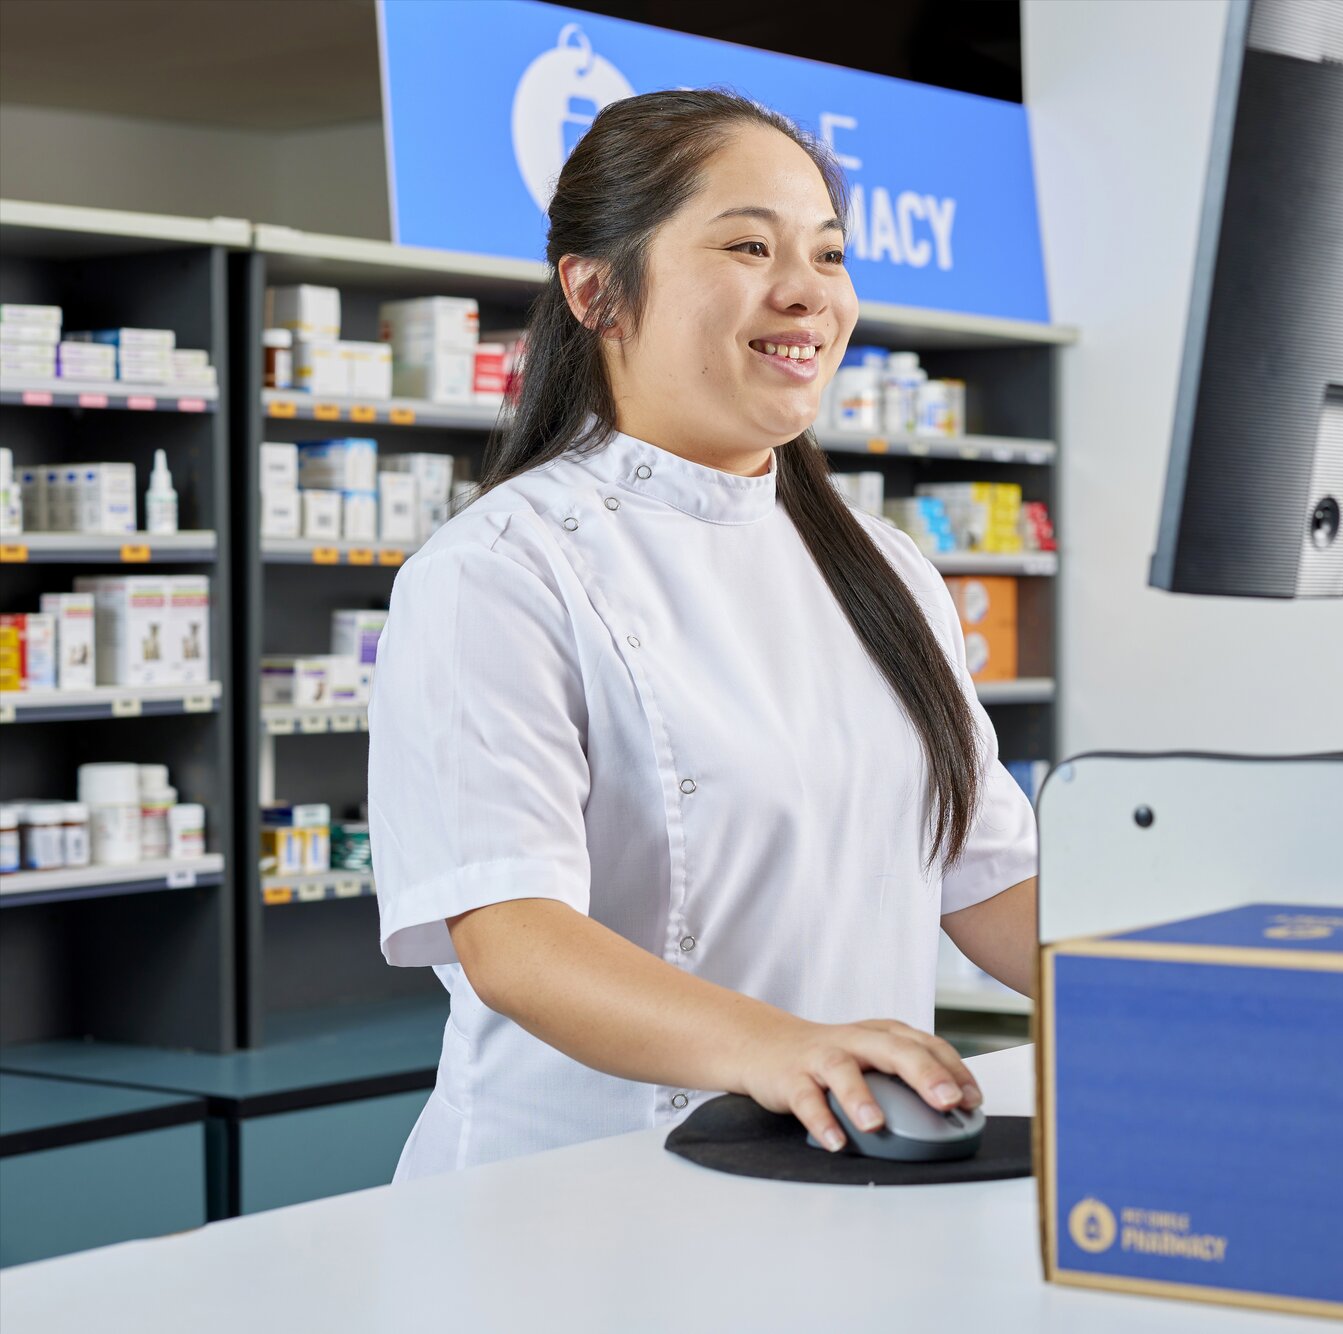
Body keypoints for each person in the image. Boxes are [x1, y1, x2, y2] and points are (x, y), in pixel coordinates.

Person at [367, 88, 1038, 1180]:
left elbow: (987, 877)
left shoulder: (886, 570)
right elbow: (515, 940)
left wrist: (1204, 1002)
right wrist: (783, 1048)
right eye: (747, 245)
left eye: (828, 255)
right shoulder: (497, 570)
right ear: (595, 290)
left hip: (834, 1162)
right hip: (575, 1197)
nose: (806, 293)